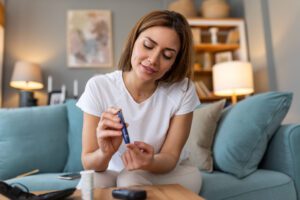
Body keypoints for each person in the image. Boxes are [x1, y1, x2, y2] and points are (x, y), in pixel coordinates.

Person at [76, 10, 202, 193]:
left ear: (175, 61)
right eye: (148, 45)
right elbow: (89, 162)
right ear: (134, 40)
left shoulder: (182, 90)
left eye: (167, 55)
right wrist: (105, 152)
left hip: (169, 172)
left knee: (130, 177)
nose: (153, 60)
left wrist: (150, 162)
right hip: (115, 172)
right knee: (91, 181)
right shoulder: (99, 86)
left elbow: (170, 157)